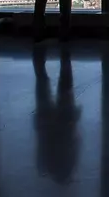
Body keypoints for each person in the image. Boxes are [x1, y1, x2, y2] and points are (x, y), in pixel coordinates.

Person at [33, 46, 81, 185]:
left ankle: (57, 51)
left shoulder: (63, 162)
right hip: (52, 124)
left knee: (63, 85)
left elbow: (73, 142)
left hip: (60, 123)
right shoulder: (46, 164)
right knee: (47, 84)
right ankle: (59, 50)